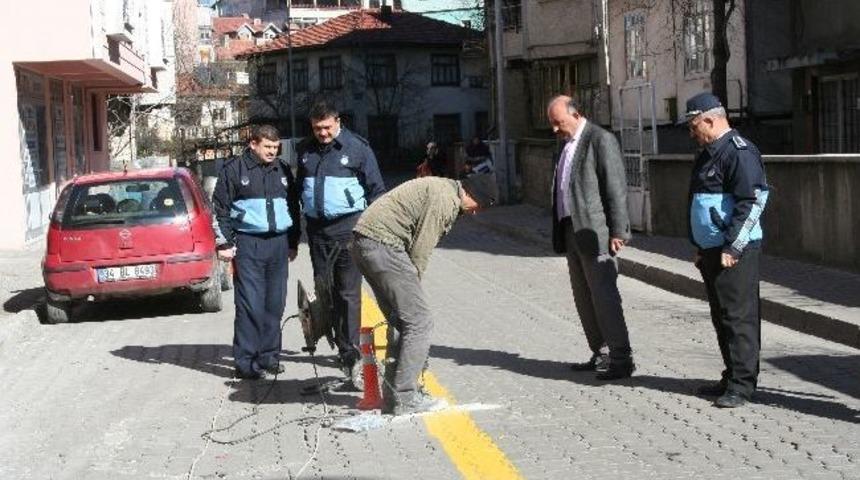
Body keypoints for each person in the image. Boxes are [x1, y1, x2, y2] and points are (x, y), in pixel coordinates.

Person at [349, 173, 498, 415]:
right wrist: (412, 287)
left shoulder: (441, 188)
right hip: (383, 245)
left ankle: (393, 396)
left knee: (401, 321)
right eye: (479, 206)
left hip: (365, 243)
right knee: (419, 321)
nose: (475, 212)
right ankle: (407, 397)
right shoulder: (446, 199)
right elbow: (420, 250)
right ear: (471, 194)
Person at [680, 92, 770, 408]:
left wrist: (733, 245)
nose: (692, 133)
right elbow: (702, 204)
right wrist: (700, 246)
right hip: (712, 250)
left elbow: (753, 201)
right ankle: (731, 374)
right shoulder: (708, 153)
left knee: (738, 318)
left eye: (694, 126)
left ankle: (743, 385)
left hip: (734, 251)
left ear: (711, 119)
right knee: (722, 317)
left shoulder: (739, 152)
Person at [296, 101, 386, 383]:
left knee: (348, 294)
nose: (321, 133)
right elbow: (300, 188)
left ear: (337, 121)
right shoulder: (304, 149)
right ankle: (338, 342)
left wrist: (374, 231)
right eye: (316, 128)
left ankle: (351, 354)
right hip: (317, 233)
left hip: (349, 231)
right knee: (326, 293)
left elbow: (377, 191)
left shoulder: (358, 148)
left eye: (326, 127)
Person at [548, 95, 635, 381]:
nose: (554, 129)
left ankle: (622, 358)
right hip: (571, 230)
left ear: (576, 114)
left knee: (604, 297)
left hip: (595, 232)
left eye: (558, 122)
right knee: (584, 297)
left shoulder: (600, 140)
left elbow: (615, 188)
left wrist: (619, 230)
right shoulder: (565, 145)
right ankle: (602, 353)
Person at [212, 124, 301, 379]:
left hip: (278, 243)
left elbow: (293, 206)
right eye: (268, 147)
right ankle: (246, 362)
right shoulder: (234, 170)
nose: (273, 152)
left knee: (275, 303)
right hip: (249, 243)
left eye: (276, 147)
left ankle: (269, 356)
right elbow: (220, 208)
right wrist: (225, 243)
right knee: (251, 304)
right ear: (253, 144)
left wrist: (293, 241)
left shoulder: (282, 170)